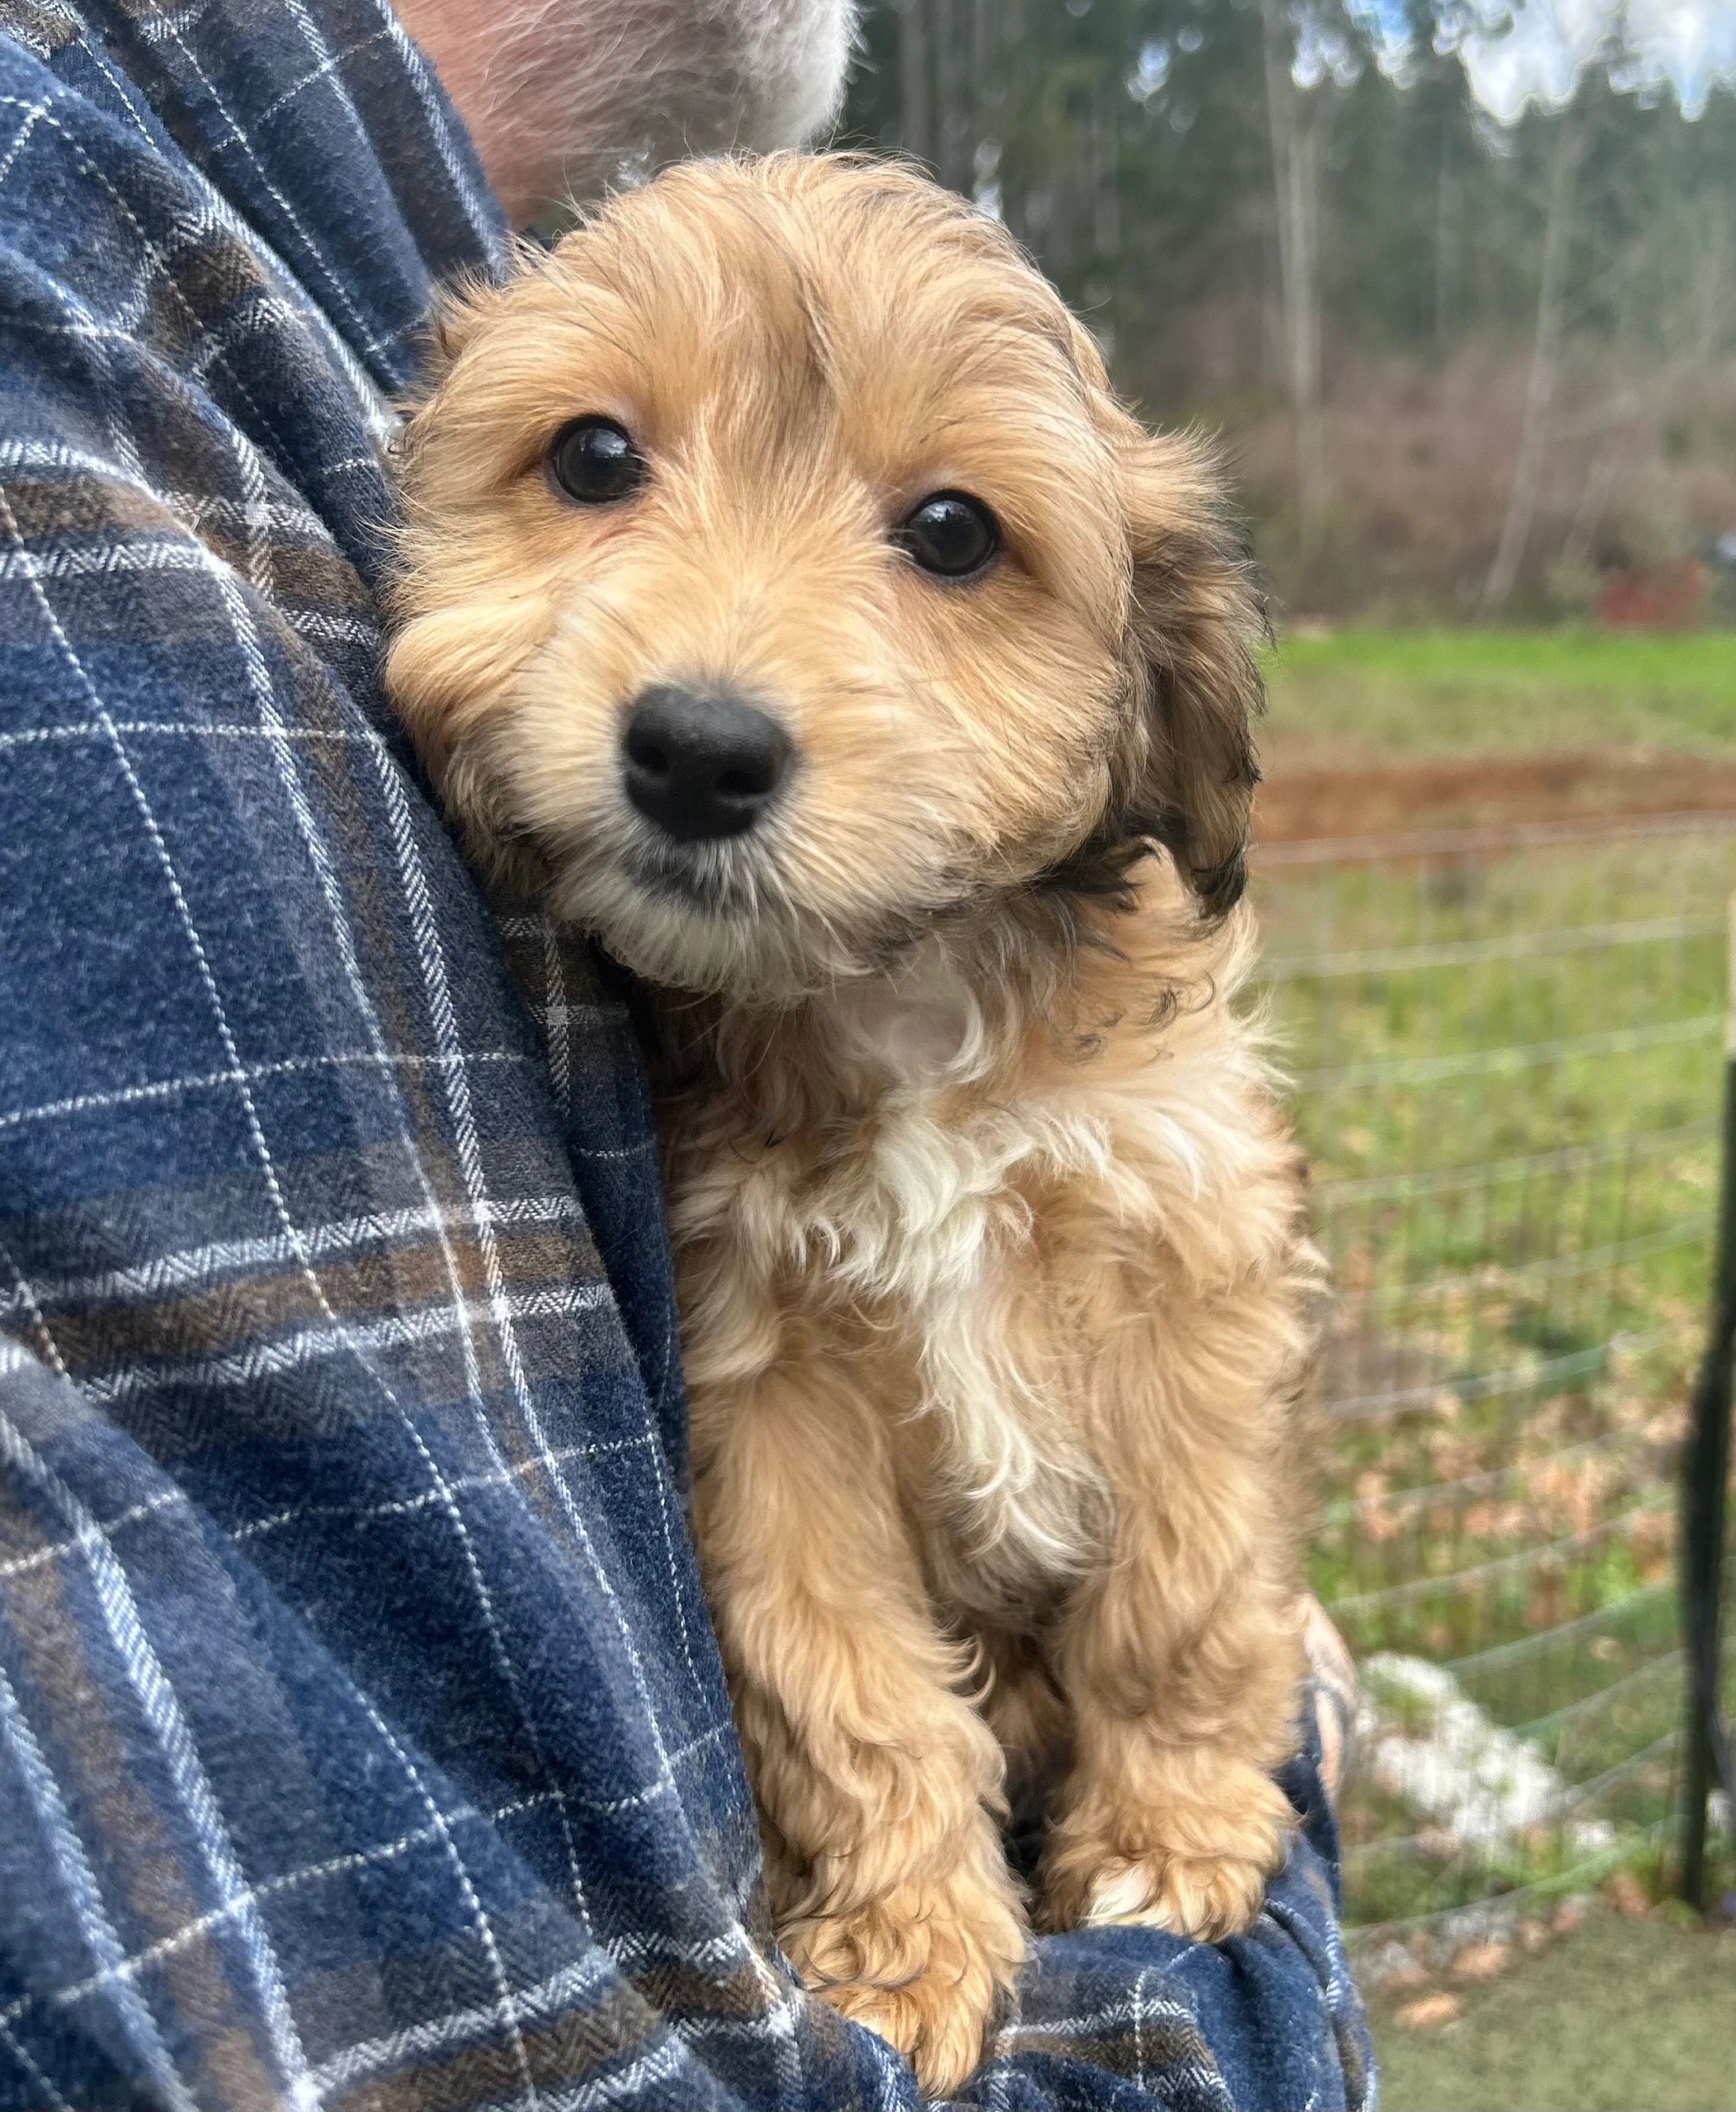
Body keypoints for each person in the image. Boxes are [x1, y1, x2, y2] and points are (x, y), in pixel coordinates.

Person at [0, 3, 1373, 2105]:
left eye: (947, 537)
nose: (714, 673)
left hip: (1124, 1697)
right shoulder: (639, 1062)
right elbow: (771, 1479)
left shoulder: (1141, 993)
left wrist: (1198, 1745)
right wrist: (892, 1856)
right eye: (598, 461)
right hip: (870, 1810)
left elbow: (1201, 1365)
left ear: (1148, 693)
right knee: (764, 1380)